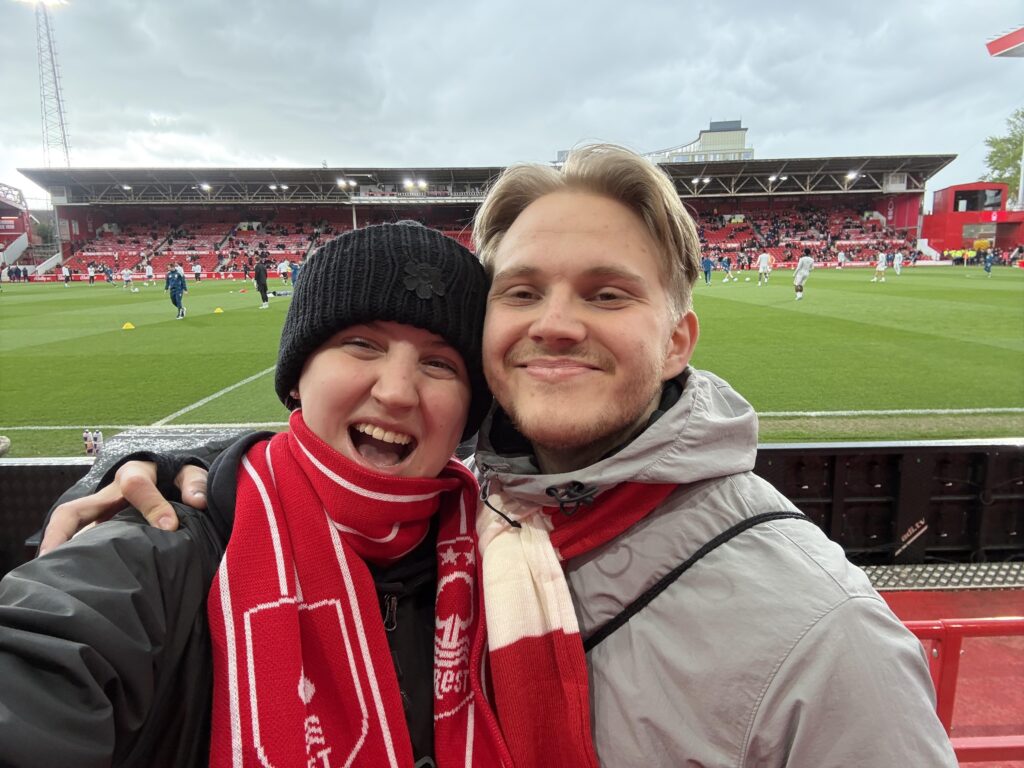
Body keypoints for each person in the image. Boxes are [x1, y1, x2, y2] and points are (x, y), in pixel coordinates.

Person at [38, 145, 957, 767]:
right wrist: (175, 475)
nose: (555, 324)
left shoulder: (826, 635)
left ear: (679, 339)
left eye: (605, 293)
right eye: (522, 290)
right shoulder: (439, 529)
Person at [0, 223, 514, 767]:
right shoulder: (167, 552)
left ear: (469, 410)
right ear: (296, 377)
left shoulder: (508, 556)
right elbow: (42, 661)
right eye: (362, 345)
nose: (395, 391)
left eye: (439, 364)